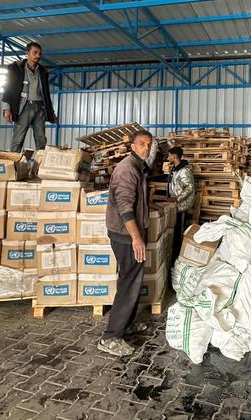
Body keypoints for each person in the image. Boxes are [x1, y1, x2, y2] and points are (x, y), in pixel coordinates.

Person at [98, 130, 153, 357]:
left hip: (130, 234)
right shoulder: (127, 169)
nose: (146, 148)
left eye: (149, 145)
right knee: (128, 284)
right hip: (126, 237)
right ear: (132, 146)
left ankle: (126, 324)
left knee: (132, 281)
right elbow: (124, 207)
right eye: (141, 144)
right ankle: (110, 337)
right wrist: (136, 238)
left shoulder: (138, 166)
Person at [2, 42, 57, 152]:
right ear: (27, 53)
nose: (38, 56)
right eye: (35, 52)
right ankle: (13, 167)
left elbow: (46, 94)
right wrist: (6, 109)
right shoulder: (16, 68)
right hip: (23, 107)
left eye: (40, 53)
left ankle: (40, 168)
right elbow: (8, 88)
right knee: (18, 140)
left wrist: (51, 112)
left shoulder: (43, 71)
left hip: (40, 108)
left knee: (41, 141)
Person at [166, 146, 195, 262]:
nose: (168, 158)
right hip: (176, 204)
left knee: (180, 230)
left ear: (174, 156)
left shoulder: (184, 170)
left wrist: (177, 198)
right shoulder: (175, 169)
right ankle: (175, 252)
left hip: (182, 205)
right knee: (175, 229)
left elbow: (190, 187)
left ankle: (179, 256)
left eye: (169, 155)